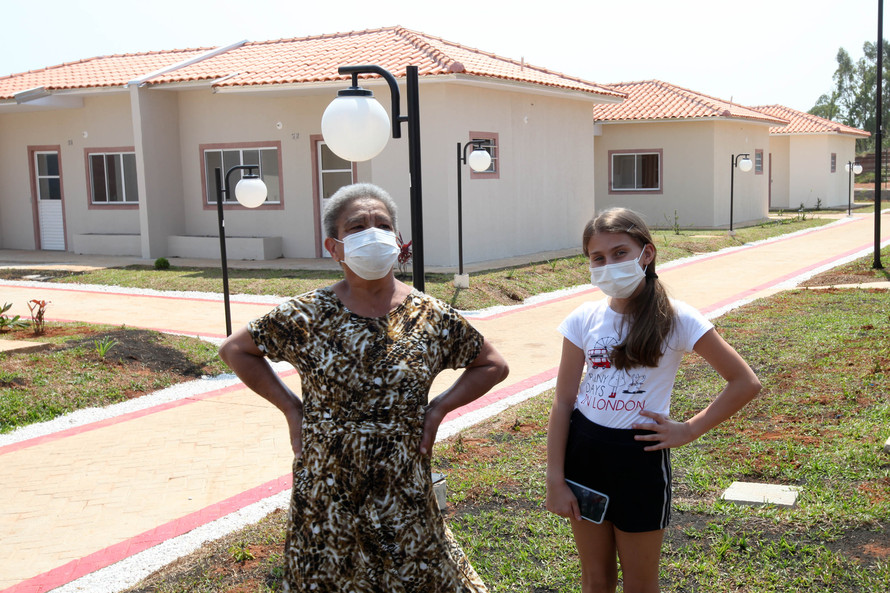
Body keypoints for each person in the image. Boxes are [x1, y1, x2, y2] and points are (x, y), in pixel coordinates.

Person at [219, 183, 508, 592]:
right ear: (333, 247)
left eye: (382, 225)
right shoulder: (306, 315)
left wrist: (439, 408)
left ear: (397, 241)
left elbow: (492, 364)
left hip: (403, 488)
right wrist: (291, 408)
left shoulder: (431, 316)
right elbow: (236, 350)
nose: (372, 233)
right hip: (326, 491)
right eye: (356, 227)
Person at [545, 208, 761, 593]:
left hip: (639, 463)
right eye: (598, 258)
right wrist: (554, 478)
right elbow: (563, 403)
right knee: (596, 579)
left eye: (620, 253)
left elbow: (744, 382)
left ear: (647, 253)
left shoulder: (678, 319)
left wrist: (690, 429)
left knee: (641, 583)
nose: (609, 264)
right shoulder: (582, 319)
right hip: (585, 459)